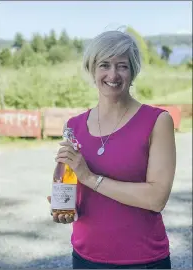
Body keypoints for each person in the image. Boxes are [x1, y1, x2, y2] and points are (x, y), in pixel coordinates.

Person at [47, 30, 176, 269]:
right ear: (92, 69)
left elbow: (156, 198)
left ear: (133, 70)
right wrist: (65, 204)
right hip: (85, 257)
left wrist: (89, 177)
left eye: (122, 66)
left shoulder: (157, 121)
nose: (113, 74)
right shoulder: (73, 126)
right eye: (104, 65)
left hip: (143, 260)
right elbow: (73, 183)